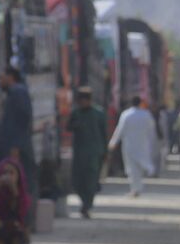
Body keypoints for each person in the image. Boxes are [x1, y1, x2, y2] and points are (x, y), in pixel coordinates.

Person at [66, 87, 108, 218]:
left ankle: (87, 205)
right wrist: (76, 125)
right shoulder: (76, 113)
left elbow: (104, 134)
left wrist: (105, 152)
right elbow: (68, 127)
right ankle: (84, 202)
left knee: (91, 181)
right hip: (79, 153)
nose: (82, 103)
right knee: (77, 181)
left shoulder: (99, 114)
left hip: (94, 153)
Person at [0, 69, 35, 205]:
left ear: (10, 77)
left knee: (21, 183)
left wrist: (16, 146)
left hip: (17, 148)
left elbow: (22, 119)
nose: (0, 81)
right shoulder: (15, 93)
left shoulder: (18, 92)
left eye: (2, 77)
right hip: (15, 145)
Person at [108, 97, 159, 198]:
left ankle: (135, 188)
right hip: (143, 145)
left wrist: (113, 142)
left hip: (129, 145)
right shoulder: (146, 114)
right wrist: (152, 143)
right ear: (140, 103)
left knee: (132, 168)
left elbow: (120, 129)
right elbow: (152, 131)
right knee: (139, 166)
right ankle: (138, 186)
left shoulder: (126, 114)